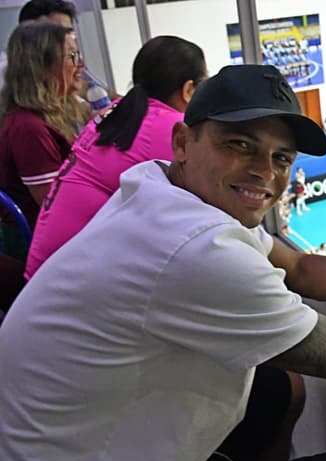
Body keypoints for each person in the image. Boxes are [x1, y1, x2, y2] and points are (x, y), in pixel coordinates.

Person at [0, 64, 326, 461]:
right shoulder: (198, 248)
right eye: (239, 144)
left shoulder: (160, 188)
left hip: (46, 437)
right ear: (182, 141)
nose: (265, 170)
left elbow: (301, 269)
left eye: (281, 157)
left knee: (285, 388)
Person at [25, 35, 207, 279]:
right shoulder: (172, 128)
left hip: (47, 270)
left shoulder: (118, 111)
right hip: (69, 282)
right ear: (188, 90)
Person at [0, 21, 88, 261]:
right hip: (36, 249)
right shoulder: (27, 128)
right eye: (72, 56)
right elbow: (55, 207)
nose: (81, 65)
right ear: (43, 68)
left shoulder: (50, 115)